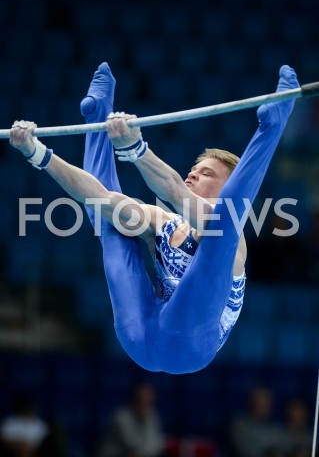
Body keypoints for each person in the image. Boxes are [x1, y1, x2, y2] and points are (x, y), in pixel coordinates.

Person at [9, 62, 299, 374]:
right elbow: (99, 197)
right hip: (140, 334)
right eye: (193, 169)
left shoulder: (230, 233)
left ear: (227, 184)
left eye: (205, 173)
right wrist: (36, 153)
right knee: (109, 220)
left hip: (192, 345)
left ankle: (273, 125)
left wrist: (135, 149)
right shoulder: (161, 221)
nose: (192, 175)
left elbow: (174, 190)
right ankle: (97, 116)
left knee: (222, 226)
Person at [97, 382, 165, 457]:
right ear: (135, 397)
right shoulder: (121, 417)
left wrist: (147, 420)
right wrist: (145, 421)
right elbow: (133, 445)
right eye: (142, 396)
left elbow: (154, 446)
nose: (145, 400)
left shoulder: (153, 415)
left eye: (148, 396)